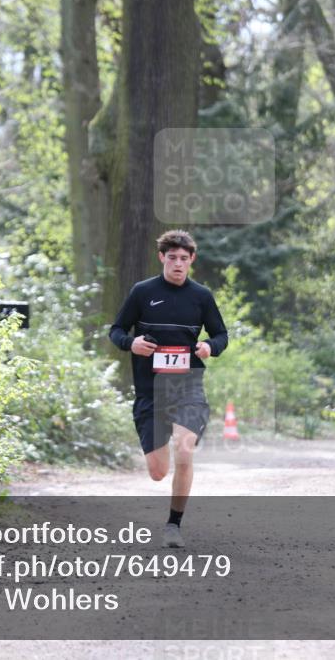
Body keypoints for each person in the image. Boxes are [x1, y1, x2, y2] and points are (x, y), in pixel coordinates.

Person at [109, 230, 228, 548]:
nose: (178, 264)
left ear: (192, 260)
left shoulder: (201, 296)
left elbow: (221, 335)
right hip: (150, 392)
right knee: (158, 472)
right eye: (172, 257)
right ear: (162, 257)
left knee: (185, 452)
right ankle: (162, 465)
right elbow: (116, 329)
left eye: (183, 259)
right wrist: (131, 343)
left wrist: (209, 346)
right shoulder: (142, 292)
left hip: (188, 387)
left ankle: (174, 526)